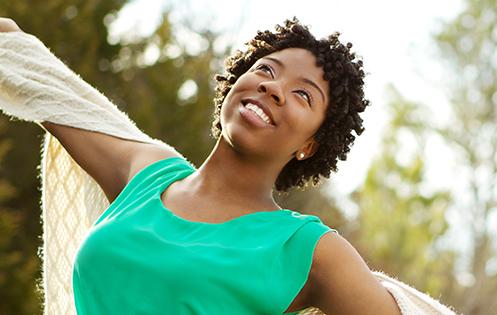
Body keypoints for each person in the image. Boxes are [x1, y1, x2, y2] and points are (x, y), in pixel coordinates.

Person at [0, 17, 403, 314]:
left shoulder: (306, 249)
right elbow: (49, 87)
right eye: (265, 69)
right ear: (235, 80)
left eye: (303, 95)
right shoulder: (148, 172)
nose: (273, 88)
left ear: (310, 145)